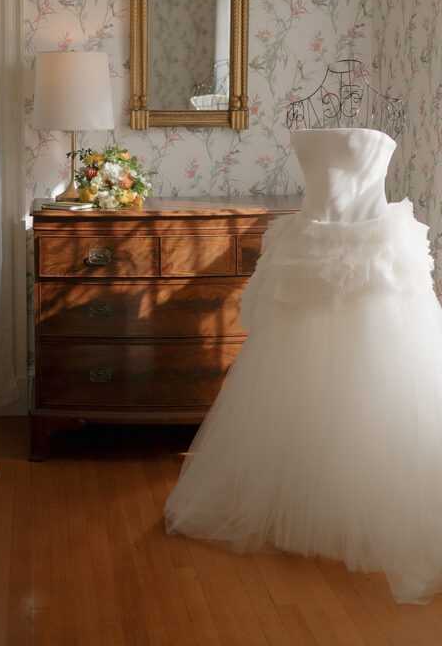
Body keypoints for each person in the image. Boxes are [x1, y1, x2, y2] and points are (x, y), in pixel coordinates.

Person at [165, 126, 442, 604]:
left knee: (375, 381)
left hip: (373, 247)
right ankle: (313, 505)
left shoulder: (383, 105)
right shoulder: (303, 112)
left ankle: (368, 507)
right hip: (310, 241)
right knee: (303, 379)